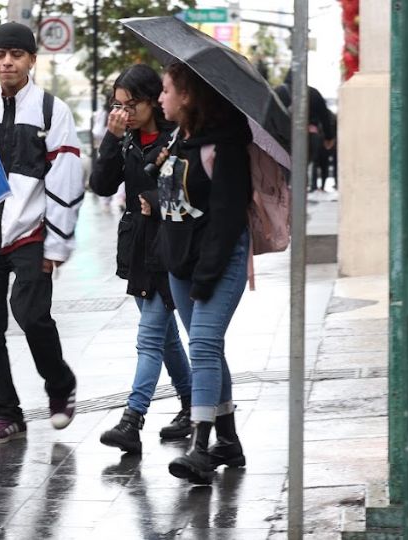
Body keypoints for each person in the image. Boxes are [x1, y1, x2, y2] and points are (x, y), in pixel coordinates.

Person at [0, 22, 85, 444]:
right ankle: (6, 413)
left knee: (31, 314)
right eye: (0, 54)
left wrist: (56, 243)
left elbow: (66, 177)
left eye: (16, 55)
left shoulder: (51, 111)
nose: (7, 62)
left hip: (31, 233)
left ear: (31, 60)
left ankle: (60, 385)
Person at [143, 61, 252, 484]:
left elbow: (226, 219)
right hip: (181, 264)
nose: (160, 99)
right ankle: (228, 441)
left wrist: (206, 275)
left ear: (187, 97)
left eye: (167, 91)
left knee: (203, 347)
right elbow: (168, 199)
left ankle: (201, 447)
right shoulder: (179, 140)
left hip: (217, 263)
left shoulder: (223, 147)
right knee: (208, 349)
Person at [89, 64, 193, 454]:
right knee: (165, 338)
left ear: (153, 100)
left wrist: (155, 196)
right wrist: (110, 140)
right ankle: (192, 405)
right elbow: (101, 186)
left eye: (131, 105)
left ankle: (132, 419)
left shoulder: (177, 137)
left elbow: (186, 192)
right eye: (118, 106)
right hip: (137, 247)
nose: (124, 113)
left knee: (150, 336)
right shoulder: (126, 138)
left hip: (169, 247)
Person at [273, 71, 335, 192]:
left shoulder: (278, 92)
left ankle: (286, 197)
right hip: (309, 137)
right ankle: (300, 196)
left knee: (284, 169)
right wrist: (329, 137)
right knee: (302, 168)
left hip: (283, 138)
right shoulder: (313, 93)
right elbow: (325, 117)